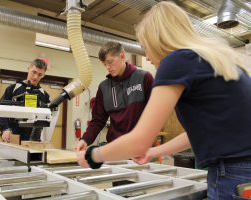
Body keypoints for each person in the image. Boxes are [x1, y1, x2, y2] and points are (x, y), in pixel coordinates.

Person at [76, 2, 251, 200]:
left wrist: (92, 156)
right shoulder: (214, 59)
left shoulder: (178, 60)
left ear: (157, 39)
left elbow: (139, 140)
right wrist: (153, 151)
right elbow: (195, 133)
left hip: (231, 173)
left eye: (145, 47)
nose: (147, 57)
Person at [75, 41, 154, 152]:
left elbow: (155, 112)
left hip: (140, 148)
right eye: (104, 64)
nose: (107, 67)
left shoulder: (144, 78)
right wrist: (85, 140)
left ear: (122, 56)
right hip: (114, 148)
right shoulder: (104, 87)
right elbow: (97, 121)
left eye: (110, 62)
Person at [0, 58, 51, 143]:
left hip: (34, 140)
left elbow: (48, 118)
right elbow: (0, 110)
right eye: (34, 72)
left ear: (43, 75)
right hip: (12, 136)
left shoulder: (44, 95)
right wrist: (5, 129)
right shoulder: (12, 89)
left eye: (40, 74)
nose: (36, 77)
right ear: (28, 69)